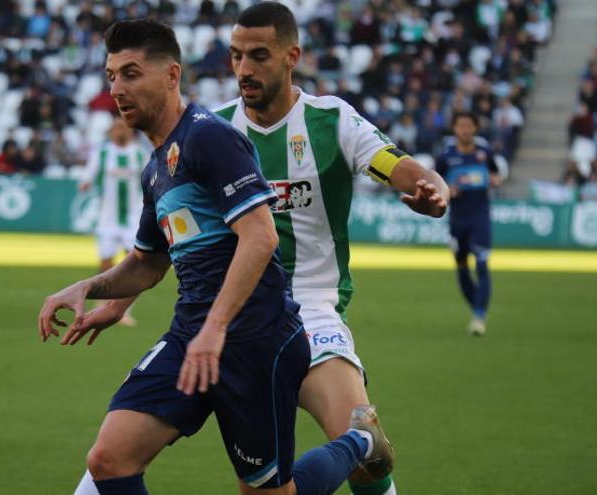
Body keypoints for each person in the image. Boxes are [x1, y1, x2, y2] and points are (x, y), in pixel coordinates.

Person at [72, 4, 450, 495]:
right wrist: (117, 302)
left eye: (258, 56)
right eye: (235, 57)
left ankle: (358, 447)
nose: (244, 69)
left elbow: (398, 165)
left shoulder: (331, 120)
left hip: (311, 310)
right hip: (225, 312)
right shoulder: (213, 128)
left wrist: (432, 189)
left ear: (291, 56)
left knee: (365, 456)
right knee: (110, 458)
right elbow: (165, 243)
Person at [436, 112, 501, 336]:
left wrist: (494, 180)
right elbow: (436, 182)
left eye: (469, 125)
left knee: (482, 265)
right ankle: (477, 309)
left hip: (480, 218)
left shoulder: (485, 153)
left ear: (475, 128)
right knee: (462, 267)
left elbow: (496, 174)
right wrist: (447, 190)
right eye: (461, 126)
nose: (465, 130)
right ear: (455, 129)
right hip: (457, 220)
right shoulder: (445, 156)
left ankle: (479, 316)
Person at [81, 117, 146, 326]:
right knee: (106, 265)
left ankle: (124, 310)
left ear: (130, 131)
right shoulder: (101, 153)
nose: (119, 132)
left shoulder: (139, 154)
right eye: (116, 128)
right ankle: (100, 305)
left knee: (132, 265)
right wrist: (86, 184)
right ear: (110, 132)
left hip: (133, 220)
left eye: (123, 128)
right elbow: (86, 180)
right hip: (107, 220)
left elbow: (151, 179)